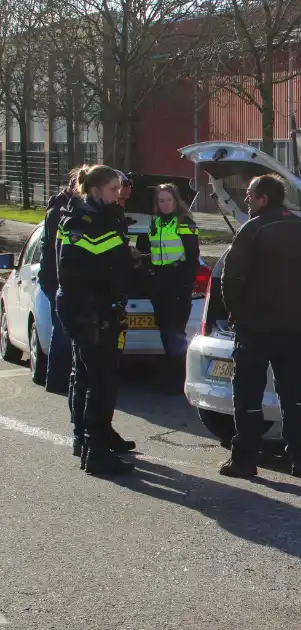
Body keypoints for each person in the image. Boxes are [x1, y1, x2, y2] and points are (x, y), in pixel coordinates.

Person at [218, 174, 301, 479]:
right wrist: (295, 297)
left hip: (255, 327)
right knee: (294, 395)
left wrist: (238, 314)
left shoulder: (252, 230)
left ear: (264, 199)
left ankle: (244, 459)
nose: (246, 200)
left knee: (248, 395)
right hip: (292, 326)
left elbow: (231, 280)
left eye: (250, 195)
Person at [55, 165, 137, 475]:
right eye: (113, 189)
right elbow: (87, 265)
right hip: (89, 310)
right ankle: (94, 450)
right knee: (99, 382)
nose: (119, 194)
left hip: (97, 308)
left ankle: (94, 444)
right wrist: (122, 255)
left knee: (97, 380)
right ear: (94, 190)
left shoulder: (100, 216)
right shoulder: (83, 220)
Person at [135, 183, 200, 393]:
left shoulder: (184, 222)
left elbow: (192, 258)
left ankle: (177, 377)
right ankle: (173, 375)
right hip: (160, 284)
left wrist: (183, 285)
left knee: (175, 331)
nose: (165, 204)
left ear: (176, 200)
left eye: (168, 200)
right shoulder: (154, 224)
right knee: (165, 329)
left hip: (178, 285)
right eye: (161, 201)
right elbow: (148, 252)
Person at [40, 167, 84, 394]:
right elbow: (58, 252)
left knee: (64, 328)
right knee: (61, 329)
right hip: (55, 277)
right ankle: (56, 380)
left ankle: (59, 378)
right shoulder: (60, 210)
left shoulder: (64, 206)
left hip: (57, 276)